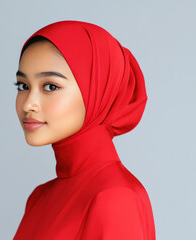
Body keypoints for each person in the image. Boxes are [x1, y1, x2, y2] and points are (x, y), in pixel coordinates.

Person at [13, 20, 156, 240]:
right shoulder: (39, 198)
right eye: (23, 86)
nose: (28, 104)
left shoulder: (115, 197)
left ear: (97, 90)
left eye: (50, 86)